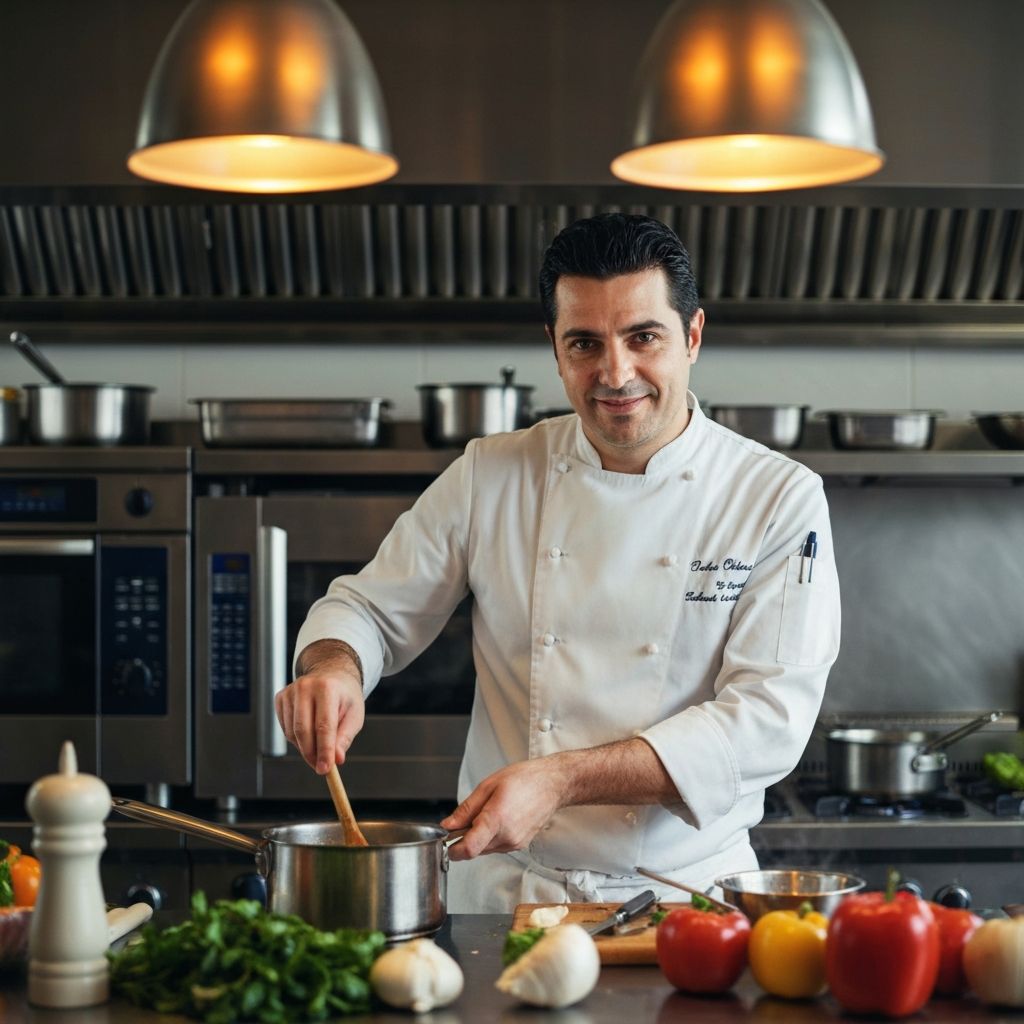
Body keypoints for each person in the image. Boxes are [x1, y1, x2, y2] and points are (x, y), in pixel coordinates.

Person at [276, 213, 841, 912]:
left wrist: (561, 779)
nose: (615, 373)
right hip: (508, 894)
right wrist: (334, 667)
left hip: (682, 903)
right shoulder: (492, 474)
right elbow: (365, 610)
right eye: (585, 343)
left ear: (693, 336)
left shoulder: (775, 497)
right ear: (554, 347)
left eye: (643, 337)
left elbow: (767, 721)